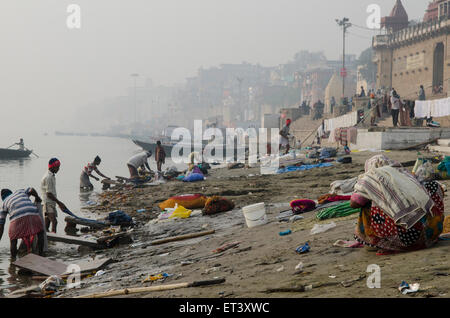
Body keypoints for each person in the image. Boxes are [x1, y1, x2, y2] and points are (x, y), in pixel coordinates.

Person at [350, 155, 444, 254]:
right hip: (431, 233)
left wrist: (364, 190)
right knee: (433, 186)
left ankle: (381, 241)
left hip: (406, 239)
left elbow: (354, 203)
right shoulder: (406, 174)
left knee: (368, 201)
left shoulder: (371, 178)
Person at [0, 188, 45, 259]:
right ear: (11, 193)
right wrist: (37, 197)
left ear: (2, 197)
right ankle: (41, 254)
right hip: (33, 214)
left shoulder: (4, 203)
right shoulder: (20, 191)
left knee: (13, 239)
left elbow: (1, 225)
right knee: (40, 232)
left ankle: (13, 260)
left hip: (18, 219)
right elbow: (32, 190)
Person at [41, 158, 68, 233]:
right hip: (47, 203)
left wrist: (57, 203)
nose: (58, 169)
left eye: (59, 167)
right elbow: (49, 194)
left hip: (51, 202)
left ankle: (47, 241)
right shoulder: (48, 177)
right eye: (57, 167)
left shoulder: (52, 175)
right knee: (54, 222)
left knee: (47, 224)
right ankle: (53, 241)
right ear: (51, 167)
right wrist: (60, 203)